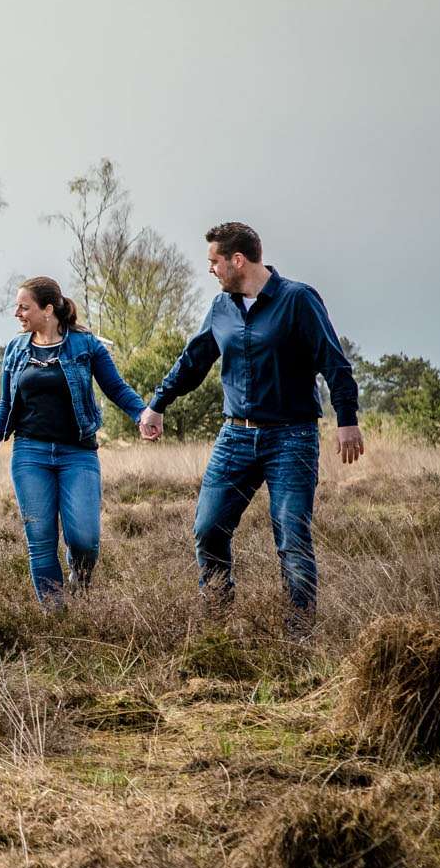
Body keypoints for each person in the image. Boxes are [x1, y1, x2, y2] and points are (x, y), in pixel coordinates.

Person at [139, 221, 363, 636]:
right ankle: (218, 624)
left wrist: (346, 419)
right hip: (235, 436)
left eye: (214, 262)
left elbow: (334, 361)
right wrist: (157, 404)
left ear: (237, 260)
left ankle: (298, 636)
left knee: (291, 536)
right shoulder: (222, 308)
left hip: (290, 437)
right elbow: (194, 360)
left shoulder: (297, 300)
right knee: (208, 529)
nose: (210, 270)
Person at [0, 276, 149, 605]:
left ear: (48, 309)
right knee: (40, 540)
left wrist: (141, 414)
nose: (17, 313)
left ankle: (80, 582)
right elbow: (5, 403)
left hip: (78, 453)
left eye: (23, 307)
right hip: (30, 454)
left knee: (84, 539)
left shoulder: (86, 345)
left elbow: (116, 387)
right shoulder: (16, 349)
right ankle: (55, 614)